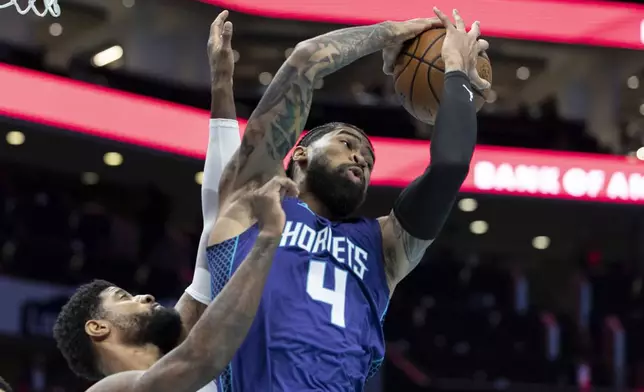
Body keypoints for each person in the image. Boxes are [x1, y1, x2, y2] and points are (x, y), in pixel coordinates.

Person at [207, 7, 491, 391]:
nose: (361, 156)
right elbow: (305, 59)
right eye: (346, 143)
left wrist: (456, 71)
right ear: (300, 153)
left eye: (369, 160)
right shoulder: (254, 201)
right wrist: (391, 33)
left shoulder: (384, 248)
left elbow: (450, 166)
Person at [52, 10, 256, 392]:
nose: (144, 294)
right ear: (97, 327)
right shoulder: (107, 391)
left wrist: (222, 84)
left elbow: (221, 215)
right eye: (123, 297)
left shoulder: (194, 365)